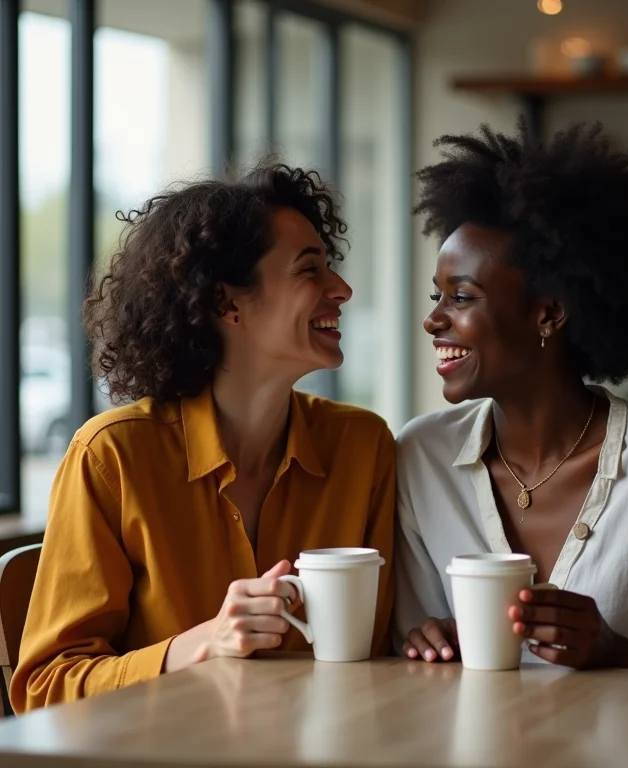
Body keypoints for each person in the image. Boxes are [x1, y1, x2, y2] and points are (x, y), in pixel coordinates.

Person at [12, 163, 395, 712]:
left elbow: (384, 654)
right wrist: (199, 645)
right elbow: (46, 689)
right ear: (226, 303)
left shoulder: (363, 447)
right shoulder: (112, 457)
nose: (343, 289)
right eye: (310, 270)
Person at [395, 121, 628, 674]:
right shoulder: (423, 456)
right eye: (437, 296)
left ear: (548, 313)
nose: (433, 320)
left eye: (462, 297)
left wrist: (617, 653)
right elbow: (409, 658)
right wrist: (423, 644)